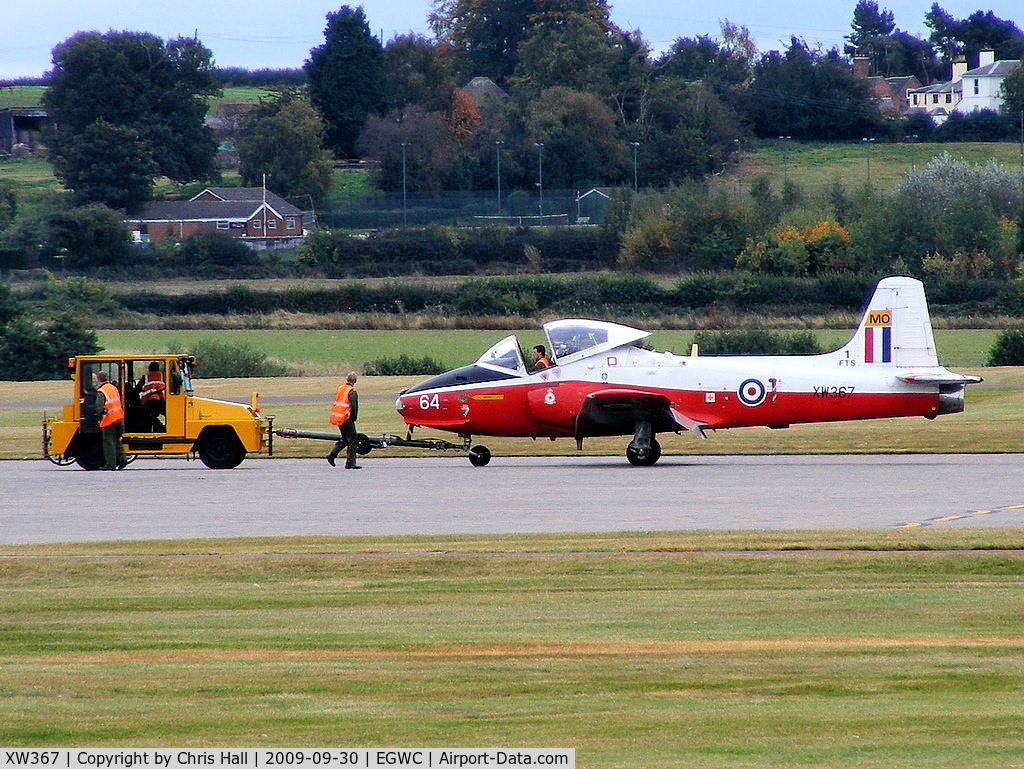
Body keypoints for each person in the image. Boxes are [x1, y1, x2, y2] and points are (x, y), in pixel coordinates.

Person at [327, 371, 361, 469]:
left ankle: (332, 455)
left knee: (345, 439)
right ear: (355, 381)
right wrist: (354, 418)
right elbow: (354, 407)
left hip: (338, 417)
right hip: (346, 418)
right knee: (353, 439)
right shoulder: (352, 391)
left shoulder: (341, 389)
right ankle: (350, 462)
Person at [94, 371, 127, 470]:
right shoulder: (113, 388)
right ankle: (123, 461)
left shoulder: (101, 391)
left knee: (109, 443)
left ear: (98, 379)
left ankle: (110, 464)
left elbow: (99, 408)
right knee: (117, 441)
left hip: (109, 420)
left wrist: (98, 417)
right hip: (120, 418)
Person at [137, 361, 166, 431]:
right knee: (167, 413)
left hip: (148, 401)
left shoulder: (146, 377)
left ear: (149, 368)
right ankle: (160, 427)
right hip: (160, 400)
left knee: (147, 416)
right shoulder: (163, 376)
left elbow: (138, 388)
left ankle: (155, 427)